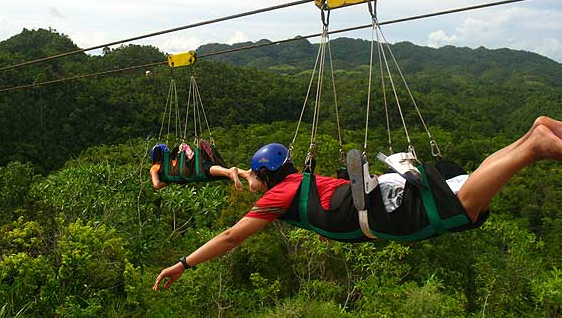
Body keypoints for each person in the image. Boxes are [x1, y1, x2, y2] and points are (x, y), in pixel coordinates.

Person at [153, 116, 562, 291]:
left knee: (459, 209)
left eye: (256, 180)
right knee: (467, 190)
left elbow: (230, 237)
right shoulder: (303, 181)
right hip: (383, 194)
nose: (255, 187)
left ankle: (537, 145)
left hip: (385, 206)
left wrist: (184, 263)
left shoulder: (282, 194)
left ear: (266, 178)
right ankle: (536, 132)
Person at [149, 143, 260, 191]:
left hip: (190, 172)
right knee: (214, 169)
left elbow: (157, 185)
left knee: (206, 171)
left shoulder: (154, 168)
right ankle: (246, 174)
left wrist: (169, 181)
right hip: (192, 165)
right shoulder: (171, 161)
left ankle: (234, 172)